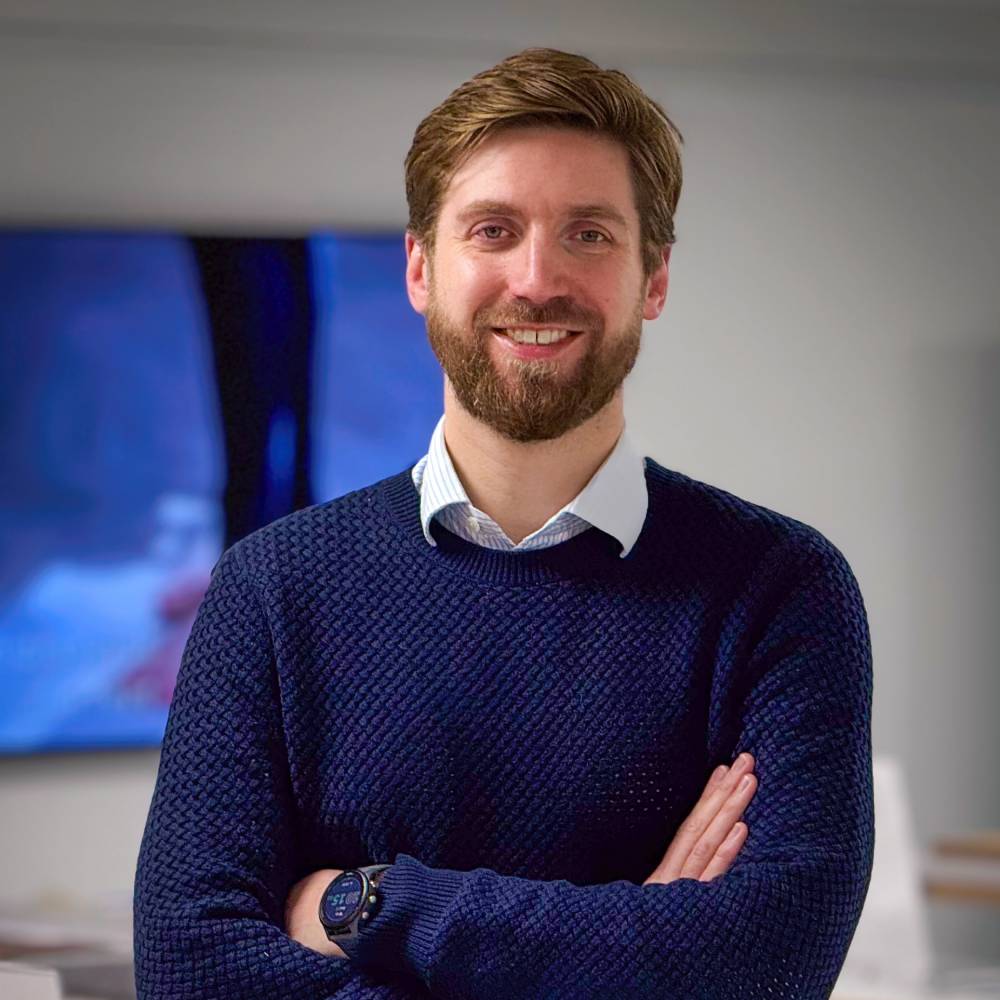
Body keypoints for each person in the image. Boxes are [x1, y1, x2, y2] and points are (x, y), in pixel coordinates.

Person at [134, 48, 874, 999]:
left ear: (653, 279)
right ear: (420, 269)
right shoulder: (272, 588)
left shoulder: (779, 587)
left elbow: (772, 963)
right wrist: (638, 946)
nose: (535, 280)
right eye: (493, 230)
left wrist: (373, 904)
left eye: (589, 235)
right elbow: (191, 971)